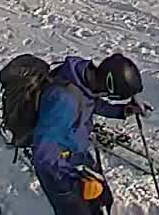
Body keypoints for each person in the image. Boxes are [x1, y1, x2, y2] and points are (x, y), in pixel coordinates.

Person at [28, 53, 144, 215]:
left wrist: (122, 110)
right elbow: (43, 156)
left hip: (78, 154)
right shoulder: (63, 100)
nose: (107, 97)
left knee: (103, 199)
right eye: (111, 96)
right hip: (60, 171)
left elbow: (91, 102)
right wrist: (75, 177)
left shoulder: (85, 79)